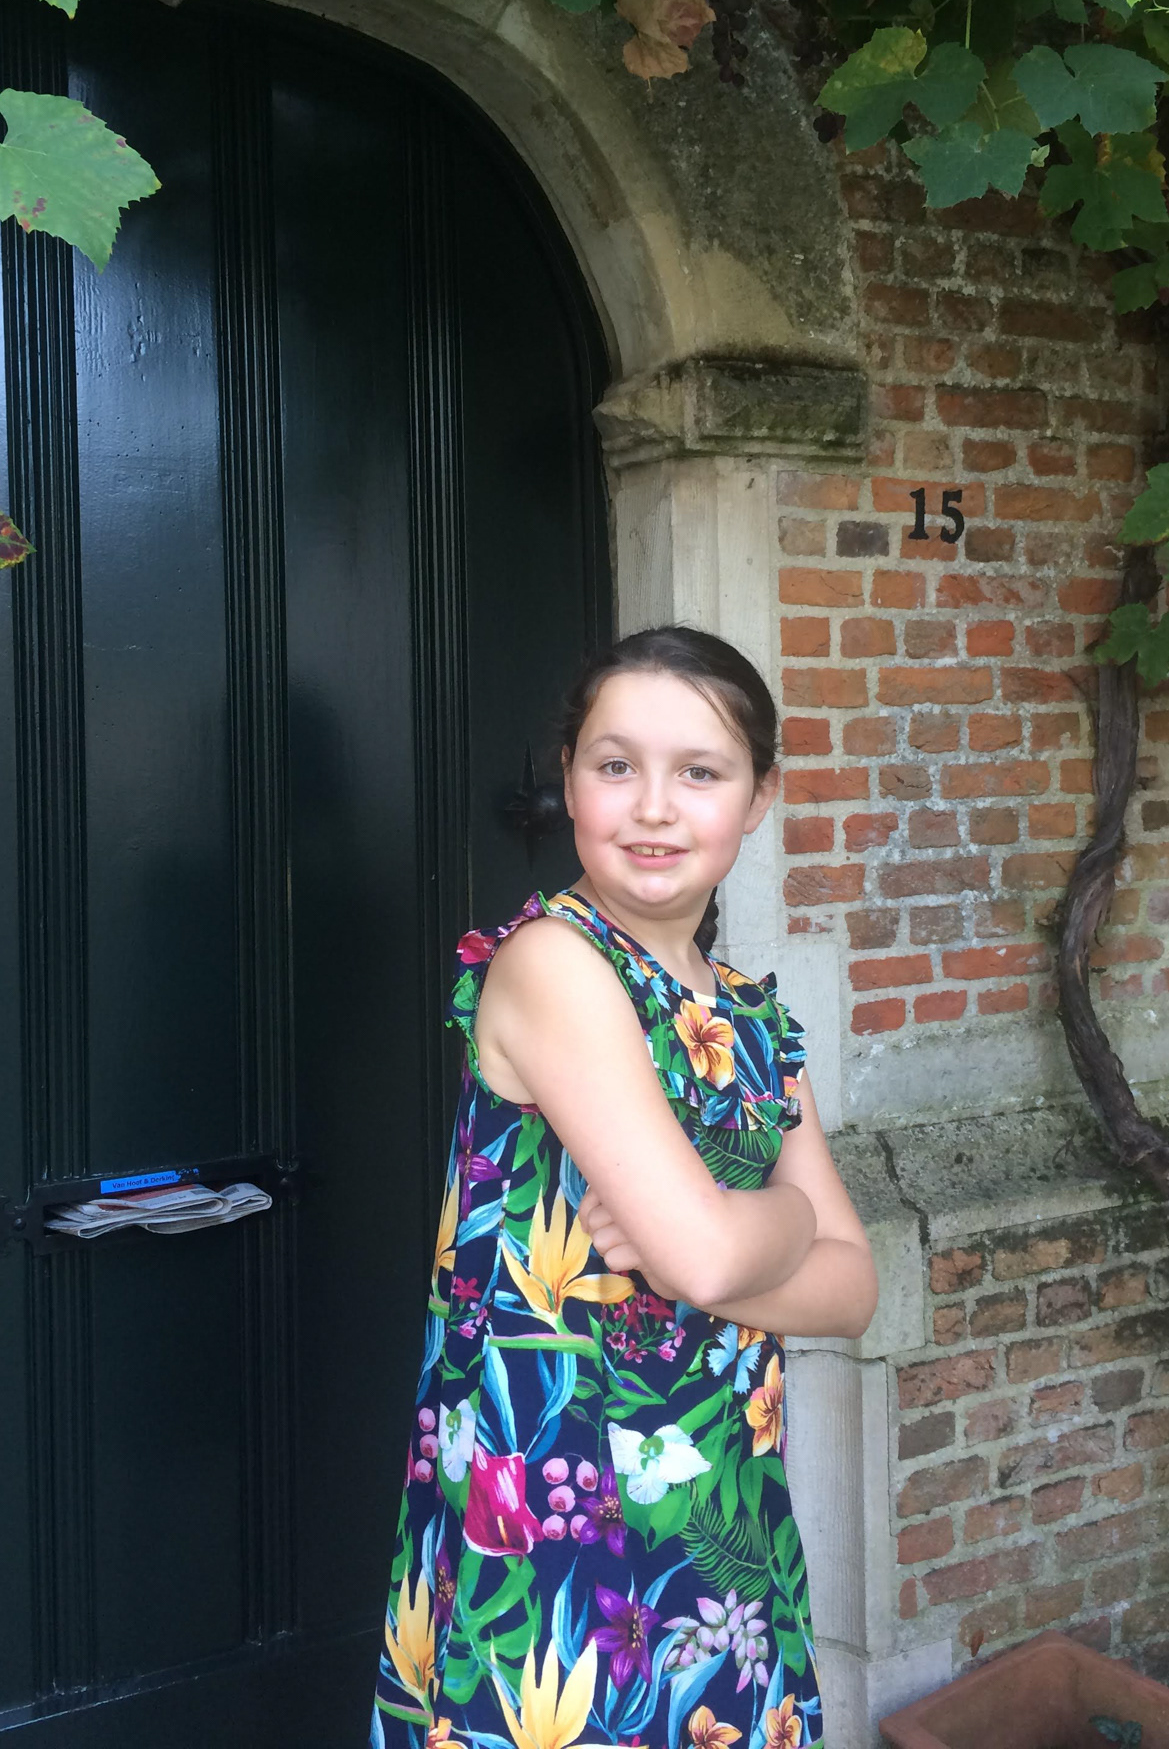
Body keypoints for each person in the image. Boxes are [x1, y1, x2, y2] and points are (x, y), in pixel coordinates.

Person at [371, 625, 878, 1749]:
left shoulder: (751, 1015)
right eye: (615, 765)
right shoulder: (555, 965)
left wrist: (743, 1234)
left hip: (722, 1523)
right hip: (558, 1532)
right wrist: (778, 1224)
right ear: (568, 780)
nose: (654, 807)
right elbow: (710, 1258)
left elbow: (853, 1290)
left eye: (700, 772)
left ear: (759, 796)